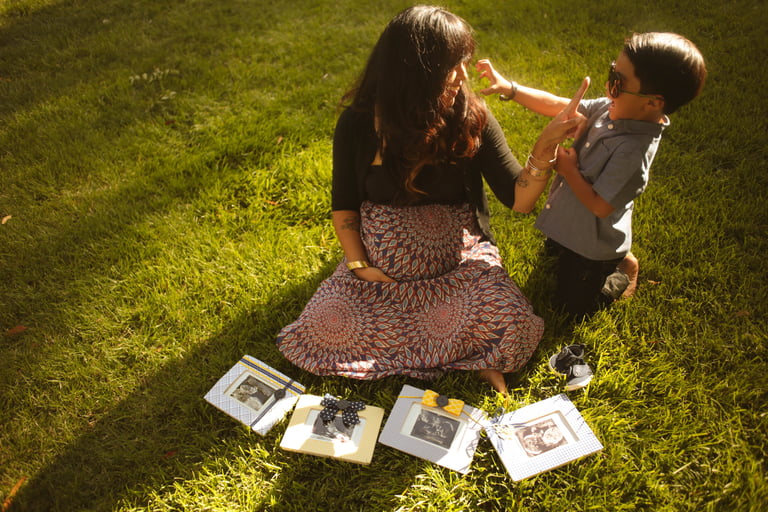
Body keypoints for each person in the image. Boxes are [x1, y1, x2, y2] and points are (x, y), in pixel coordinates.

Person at [276, 5, 586, 393]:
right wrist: (359, 266)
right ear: (413, 72)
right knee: (322, 326)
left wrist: (543, 149)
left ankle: (473, 356)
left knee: (514, 322)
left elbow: (519, 200)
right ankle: (465, 353)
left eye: (463, 63)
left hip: (457, 274)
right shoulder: (359, 123)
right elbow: (345, 206)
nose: (460, 76)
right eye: (449, 66)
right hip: (380, 278)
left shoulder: (472, 117)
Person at [477, 32, 706, 318]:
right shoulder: (611, 110)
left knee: (571, 310)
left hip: (593, 244)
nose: (610, 88)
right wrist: (511, 89)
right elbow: (559, 106)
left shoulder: (633, 152)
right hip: (570, 223)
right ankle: (572, 250)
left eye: (619, 83)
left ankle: (621, 272)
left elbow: (601, 206)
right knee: (556, 257)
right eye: (613, 74)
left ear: (652, 103)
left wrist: (570, 170)